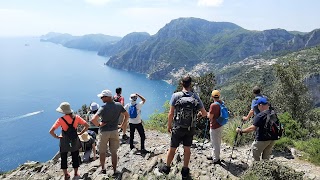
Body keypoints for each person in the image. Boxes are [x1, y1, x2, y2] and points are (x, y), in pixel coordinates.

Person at [160, 76, 207, 179]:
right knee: (187, 149)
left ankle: (167, 168)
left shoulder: (176, 96)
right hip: (190, 128)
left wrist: (169, 126)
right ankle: (185, 170)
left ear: (182, 83)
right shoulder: (195, 97)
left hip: (178, 127)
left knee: (172, 148)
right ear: (190, 84)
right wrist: (197, 115)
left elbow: (171, 113)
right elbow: (204, 113)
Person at [91, 89, 129, 175]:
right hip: (114, 131)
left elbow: (93, 119)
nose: (101, 98)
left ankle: (103, 168)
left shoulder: (103, 107)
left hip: (104, 132)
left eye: (102, 97)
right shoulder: (118, 105)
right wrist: (122, 125)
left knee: (102, 151)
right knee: (114, 152)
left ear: (107, 97)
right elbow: (127, 115)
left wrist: (99, 125)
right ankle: (115, 170)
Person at [49, 102, 89, 180]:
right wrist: (81, 133)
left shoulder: (60, 120)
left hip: (64, 140)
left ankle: (66, 175)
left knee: (64, 157)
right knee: (75, 156)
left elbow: (51, 131)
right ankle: (76, 173)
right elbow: (87, 125)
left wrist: (57, 136)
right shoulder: (76, 117)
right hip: (74, 139)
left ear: (63, 111)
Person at [206, 90, 224, 164]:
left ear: (212, 96)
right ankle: (214, 155)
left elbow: (210, 116)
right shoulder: (221, 103)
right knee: (217, 142)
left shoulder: (213, 105)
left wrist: (206, 113)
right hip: (220, 124)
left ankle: (216, 159)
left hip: (214, 126)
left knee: (215, 143)